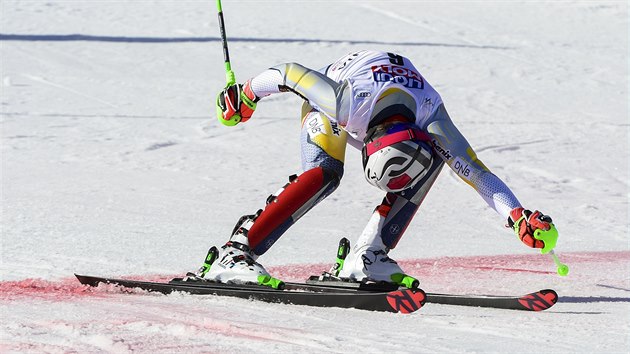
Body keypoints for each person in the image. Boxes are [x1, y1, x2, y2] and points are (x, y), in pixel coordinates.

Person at [189, 50, 558, 289]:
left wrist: (518, 215)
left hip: (394, 99)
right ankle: (236, 252)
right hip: (337, 100)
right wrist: (246, 94)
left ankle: (368, 255)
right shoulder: (343, 103)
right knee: (324, 174)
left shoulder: (431, 118)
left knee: (432, 158)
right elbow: (289, 73)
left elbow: (474, 170)